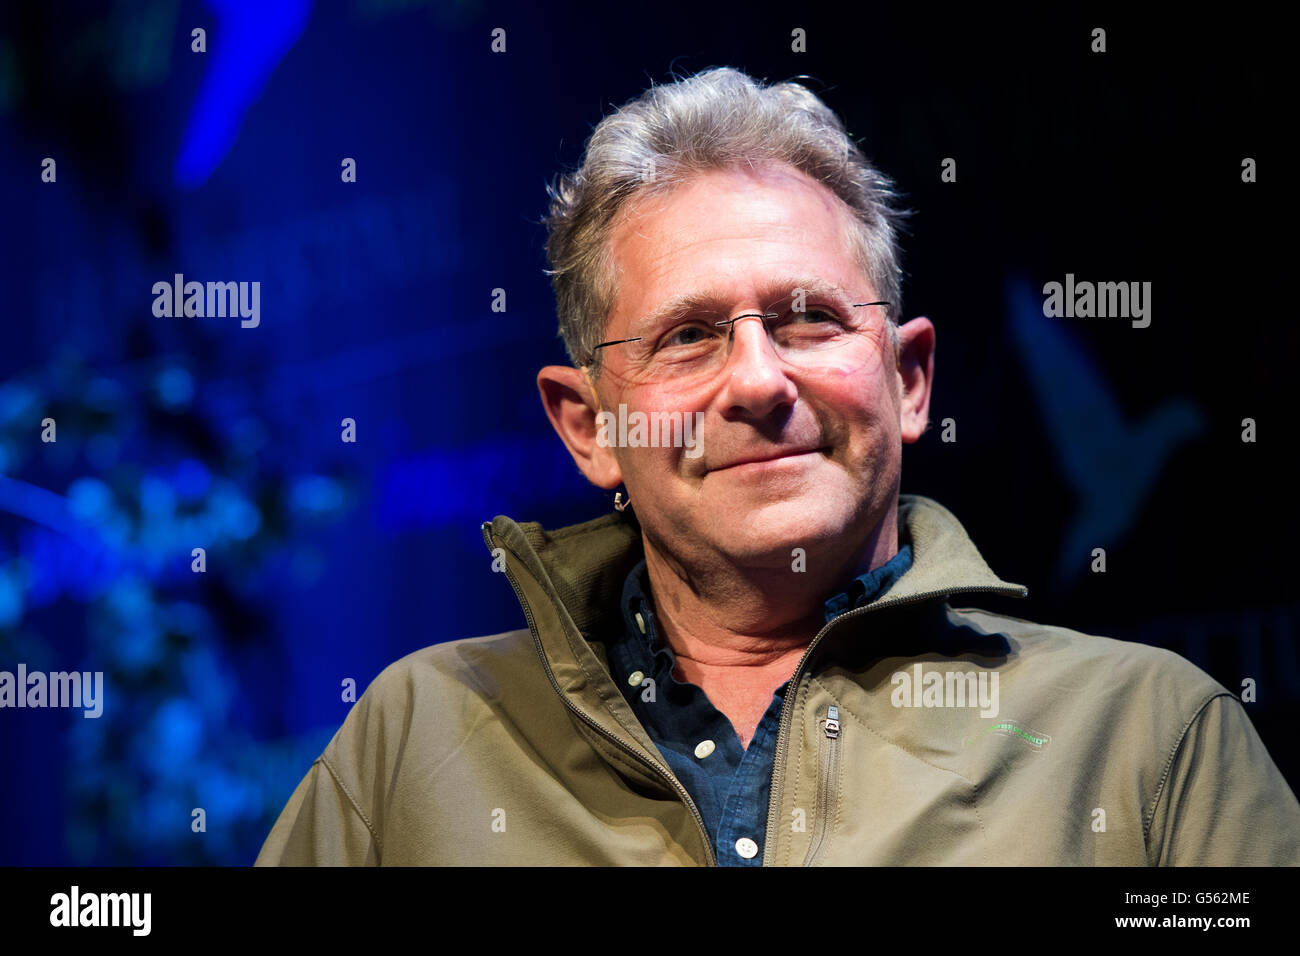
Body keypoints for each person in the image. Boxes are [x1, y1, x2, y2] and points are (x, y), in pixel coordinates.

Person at [255, 67, 1300, 866]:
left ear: (910, 378)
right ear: (589, 428)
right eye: (688, 336)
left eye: (808, 319)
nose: (757, 380)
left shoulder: (1150, 742)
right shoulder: (413, 743)